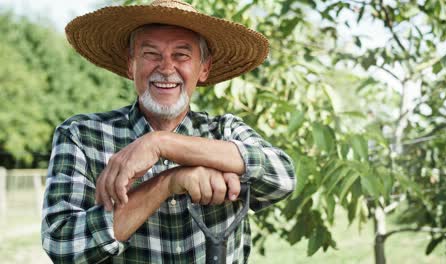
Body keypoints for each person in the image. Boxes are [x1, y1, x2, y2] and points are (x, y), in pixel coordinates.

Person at [41, 0, 296, 263]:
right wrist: (168, 182)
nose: (165, 68)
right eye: (151, 54)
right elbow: (63, 246)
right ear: (131, 64)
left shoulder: (225, 131)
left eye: (181, 55)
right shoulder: (81, 135)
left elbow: (284, 176)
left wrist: (160, 143)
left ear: (204, 68)